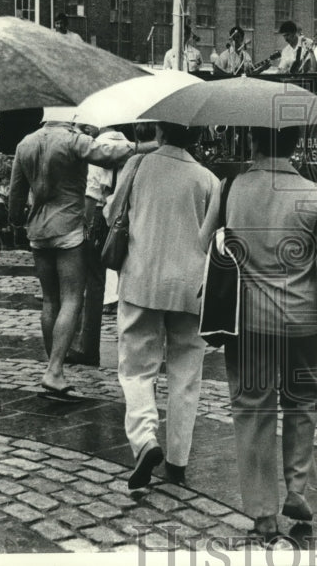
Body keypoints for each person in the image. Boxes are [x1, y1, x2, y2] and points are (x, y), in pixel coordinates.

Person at [199, 126, 317, 543]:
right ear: (295, 146)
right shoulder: (314, 194)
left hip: (249, 323)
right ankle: (296, 489)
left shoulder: (231, 186)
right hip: (303, 322)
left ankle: (263, 512)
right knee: (303, 402)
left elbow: (204, 244)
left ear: (252, 141)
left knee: (252, 410)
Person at [110, 122, 218, 490]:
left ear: (159, 128)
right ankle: (178, 458)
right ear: (198, 135)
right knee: (186, 375)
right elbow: (215, 235)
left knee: (137, 368)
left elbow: (112, 215)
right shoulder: (207, 178)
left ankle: (144, 439)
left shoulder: (137, 166)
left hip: (142, 281)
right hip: (191, 289)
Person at [8, 111, 139, 400]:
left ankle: (52, 363)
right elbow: (108, 154)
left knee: (49, 299)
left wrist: (18, 220)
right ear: (70, 116)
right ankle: (55, 370)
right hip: (68, 229)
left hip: (38, 232)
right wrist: (143, 146)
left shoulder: (25, 143)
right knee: (72, 298)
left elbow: (15, 198)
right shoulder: (73, 140)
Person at [67, 122, 134, 366]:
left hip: (98, 220)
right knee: (127, 284)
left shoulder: (98, 150)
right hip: (126, 221)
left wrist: (82, 226)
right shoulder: (131, 150)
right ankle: (130, 351)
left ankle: (89, 347)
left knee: (94, 284)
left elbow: (91, 194)